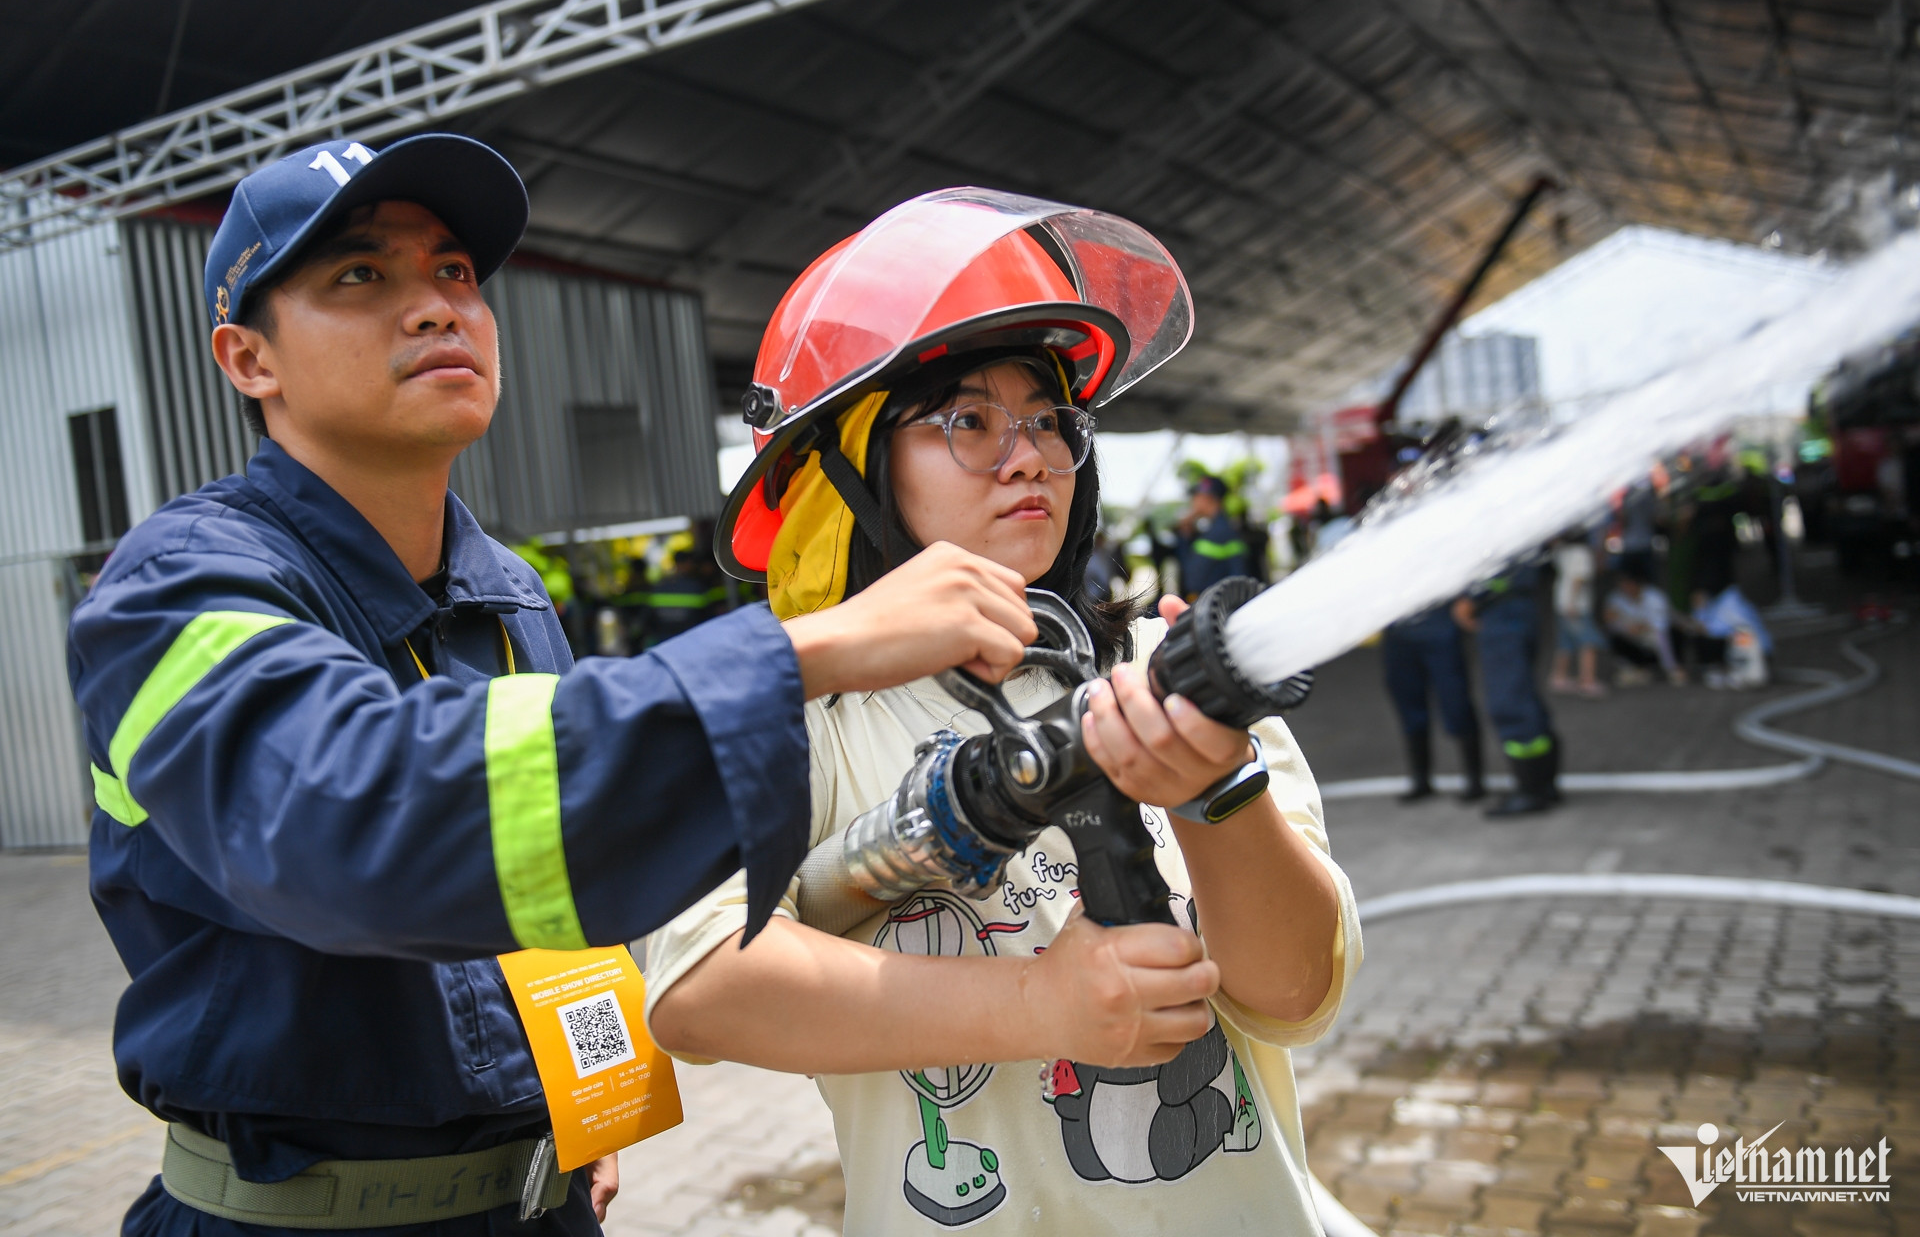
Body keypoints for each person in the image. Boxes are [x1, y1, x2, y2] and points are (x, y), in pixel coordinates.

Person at [67, 137, 1039, 1237]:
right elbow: (360, 817)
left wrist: (588, 1094)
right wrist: (799, 650)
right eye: (360, 275)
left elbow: (550, 856)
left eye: (455, 274)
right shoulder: (175, 590)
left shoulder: (505, 592)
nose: (438, 308)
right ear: (249, 359)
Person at [647, 192, 1360, 1235]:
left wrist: (1220, 789)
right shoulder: (794, 720)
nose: (1027, 455)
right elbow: (696, 990)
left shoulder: (1164, 672)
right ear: (851, 471)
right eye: (967, 421)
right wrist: (1044, 1008)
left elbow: (1297, 997)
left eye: (1048, 420)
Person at [1453, 561, 1559, 818]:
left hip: (1502, 612)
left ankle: (1530, 791)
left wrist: (1472, 596)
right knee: (1523, 698)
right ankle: (1543, 785)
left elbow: (1493, 560)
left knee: (1509, 703)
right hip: (1513, 609)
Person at [1380, 602, 1486, 802]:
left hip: (1440, 626)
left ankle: (1475, 780)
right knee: (1409, 706)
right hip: (1398, 631)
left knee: (1455, 702)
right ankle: (1421, 780)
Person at [1601, 559, 1687, 686]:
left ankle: (1672, 668)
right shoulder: (1616, 597)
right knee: (1614, 637)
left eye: (1628, 583)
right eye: (1622, 583)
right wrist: (1626, 627)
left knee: (1666, 634)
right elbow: (1609, 620)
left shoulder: (1655, 597)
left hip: (1655, 636)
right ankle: (1633, 668)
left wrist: (1640, 627)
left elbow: (1661, 625)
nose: (1624, 587)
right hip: (1632, 635)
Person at [1549, 530, 1606, 698]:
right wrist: (1573, 603)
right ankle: (1588, 681)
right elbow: (1579, 579)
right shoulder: (1582, 553)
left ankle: (1559, 677)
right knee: (1588, 642)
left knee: (1565, 642)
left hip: (1560, 601)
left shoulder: (1561, 551)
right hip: (1577, 606)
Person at [1175, 474, 1252, 598]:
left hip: (1216, 607)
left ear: (1207, 498)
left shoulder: (1223, 532)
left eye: (1196, 496)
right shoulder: (1210, 530)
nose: (1193, 501)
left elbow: (1238, 576)